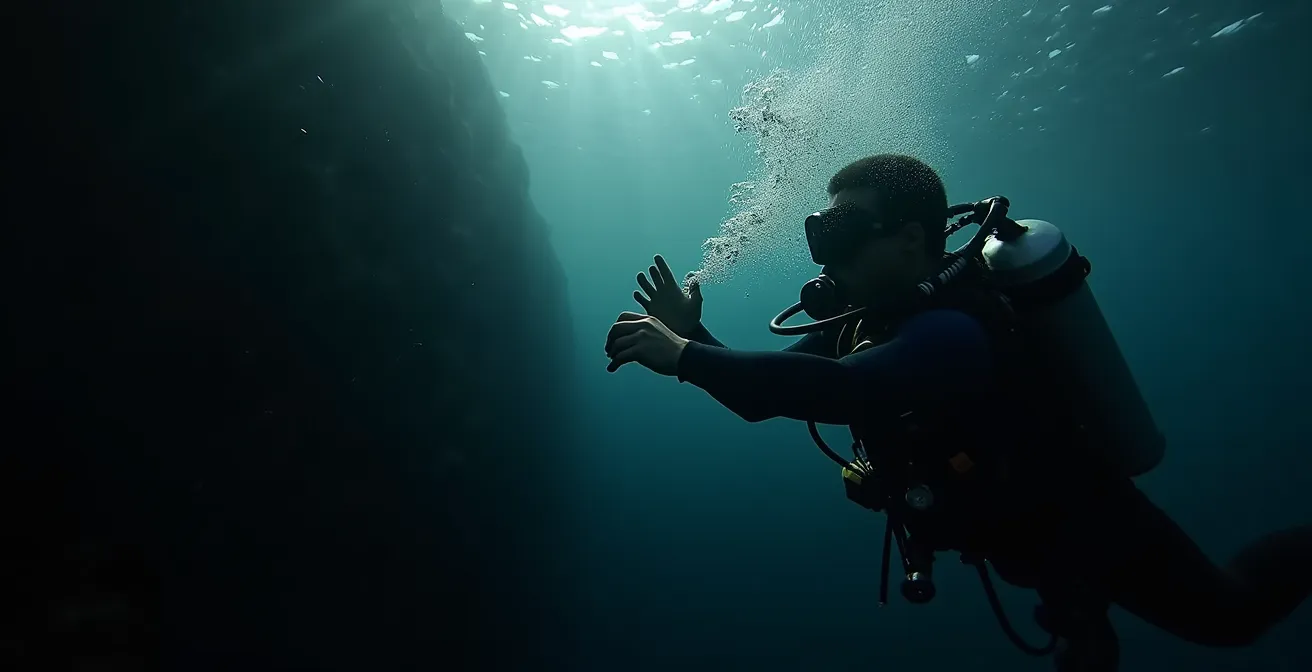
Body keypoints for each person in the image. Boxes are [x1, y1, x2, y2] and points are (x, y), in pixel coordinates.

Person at [604, 154, 1311, 671]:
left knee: (1232, 617)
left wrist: (685, 356)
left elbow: (835, 393)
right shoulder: (867, 318)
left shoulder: (954, 329)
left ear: (912, 239)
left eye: (846, 230)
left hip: (1090, 527)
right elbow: (771, 395)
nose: (825, 252)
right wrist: (694, 338)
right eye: (822, 229)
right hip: (1019, 538)